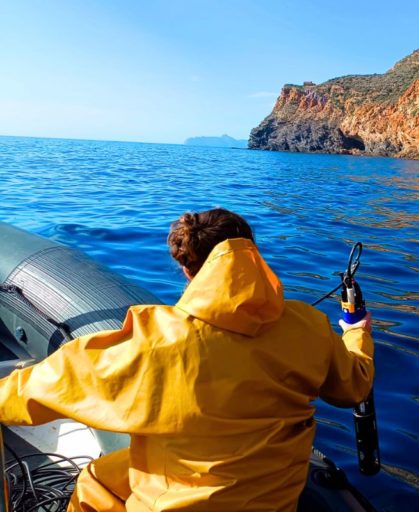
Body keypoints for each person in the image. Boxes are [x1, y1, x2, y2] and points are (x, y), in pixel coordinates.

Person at [0, 208, 375, 511]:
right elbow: (354, 386)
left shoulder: (152, 341)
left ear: (187, 268)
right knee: (110, 473)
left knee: (94, 482)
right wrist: (356, 331)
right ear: (252, 254)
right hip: (275, 500)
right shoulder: (308, 324)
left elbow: (43, 387)